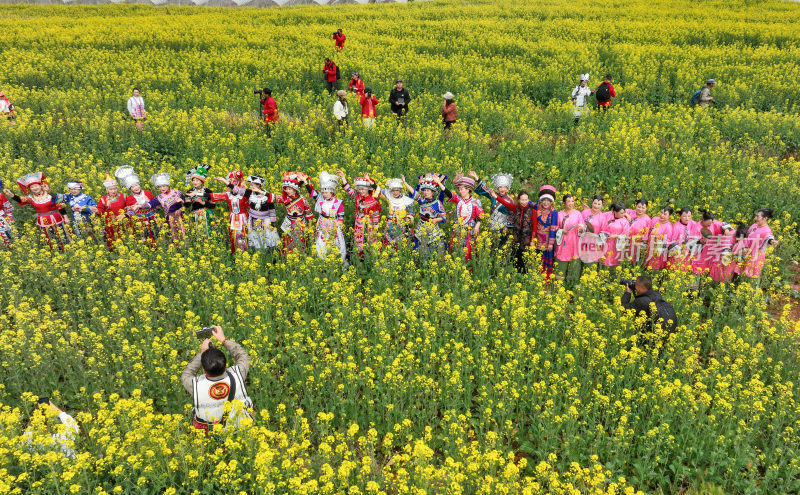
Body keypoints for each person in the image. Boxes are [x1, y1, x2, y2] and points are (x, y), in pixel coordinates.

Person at [180, 326, 253, 433]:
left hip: (212, 435)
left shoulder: (196, 385)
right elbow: (243, 357)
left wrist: (202, 353)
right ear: (226, 364)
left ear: (204, 371)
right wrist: (223, 340)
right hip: (242, 429)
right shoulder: (238, 374)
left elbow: (186, 374)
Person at [5, 172, 71, 251]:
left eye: (36, 185)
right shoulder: (31, 198)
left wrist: (65, 217)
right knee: (49, 236)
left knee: (61, 234)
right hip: (42, 220)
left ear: (40, 185)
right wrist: (11, 194)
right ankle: (54, 251)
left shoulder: (49, 194)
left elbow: (59, 205)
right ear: (30, 189)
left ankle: (67, 249)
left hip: (55, 217)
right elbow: (20, 199)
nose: (34, 188)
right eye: (32, 187)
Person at [262, 172, 316, 253]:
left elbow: (308, 212)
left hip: (300, 223)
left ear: (295, 190)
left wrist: (310, 226)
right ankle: (288, 258)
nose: (287, 191)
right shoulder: (285, 198)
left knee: (300, 241)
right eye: (286, 189)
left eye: (289, 189)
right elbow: (273, 197)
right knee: (288, 241)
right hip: (288, 223)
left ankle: (299, 258)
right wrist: (260, 191)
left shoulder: (302, 199)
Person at [440, 173, 483, 261]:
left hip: (470, 229)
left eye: (461, 189)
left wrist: (477, 226)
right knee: (456, 247)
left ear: (468, 190)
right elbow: (448, 192)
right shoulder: (458, 199)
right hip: (458, 227)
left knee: (468, 250)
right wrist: (439, 183)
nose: (460, 191)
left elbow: (481, 217)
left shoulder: (475, 202)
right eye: (459, 189)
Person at [338, 170, 382, 256]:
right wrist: (343, 177)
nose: (361, 191)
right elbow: (349, 190)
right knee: (359, 241)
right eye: (359, 189)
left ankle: (371, 257)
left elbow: (378, 190)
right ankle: (359, 256)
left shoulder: (374, 197)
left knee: (371, 241)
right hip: (359, 223)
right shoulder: (358, 196)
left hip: (371, 223)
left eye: (363, 189)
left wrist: (369, 180)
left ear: (368, 189)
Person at [491, 189, 536, 273]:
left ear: (528, 200)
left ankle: (524, 274)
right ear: (518, 200)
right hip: (516, 236)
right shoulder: (515, 208)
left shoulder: (532, 211)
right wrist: (495, 196)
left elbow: (535, 227)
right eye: (522, 199)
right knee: (515, 255)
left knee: (525, 257)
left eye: (526, 199)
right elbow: (505, 203)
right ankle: (515, 274)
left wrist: (533, 240)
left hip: (526, 238)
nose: (524, 201)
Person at [405, 174, 447, 257]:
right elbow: (413, 192)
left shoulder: (438, 203)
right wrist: (405, 182)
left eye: (428, 191)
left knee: (433, 246)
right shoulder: (422, 200)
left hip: (433, 227)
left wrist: (436, 220)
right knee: (419, 245)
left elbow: (443, 217)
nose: (425, 192)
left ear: (433, 192)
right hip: (421, 226)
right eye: (424, 190)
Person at [237, 175, 281, 253]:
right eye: (250, 184)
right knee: (257, 237)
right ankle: (259, 254)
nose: (250, 186)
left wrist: (273, 223)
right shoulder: (250, 193)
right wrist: (226, 182)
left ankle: (269, 255)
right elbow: (237, 190)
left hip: (264, 220)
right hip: (254, 219)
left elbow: (272, 210)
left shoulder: (267, 196)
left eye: (252, 185)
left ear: (258, 185)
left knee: (266, 238)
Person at [137, 173, 185, 243]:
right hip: (169, 219)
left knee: (184, 234)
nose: (162, 188)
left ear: (168, 185)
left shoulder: (177, 193)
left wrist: (182, 202)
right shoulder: (159, 197)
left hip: (181, 216)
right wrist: (140, 206)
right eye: (159, 187)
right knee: (174, 236)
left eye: (164, 186)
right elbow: (150, 204)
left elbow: (187, 204)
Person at [211, 171, 250, 254]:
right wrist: (197, 193)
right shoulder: (227, 195)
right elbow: (213, 195)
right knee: (233, 236)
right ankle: (235, 255)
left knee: (243, 235)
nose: (226, 187)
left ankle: (245, 255)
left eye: (228, 185)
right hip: (232, 219)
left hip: (243, 219)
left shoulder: (244, 195)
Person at [117, 166, 159, 244]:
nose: (135, 188)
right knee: (145, 235)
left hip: (152, 217)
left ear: (139, 184)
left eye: (136, 185)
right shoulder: (130, 198)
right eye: (132, 187)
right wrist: (125, 215)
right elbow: (131, 210)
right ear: (130, 189)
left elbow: (154, 203)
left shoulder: (147, 193)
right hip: (141, 220)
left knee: (156, 233)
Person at [314, 171, 347, 262]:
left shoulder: (338, 202)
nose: (325, 194)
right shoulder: (321, 199)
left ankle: (337, 260)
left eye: (327, 192)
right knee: (321, 242)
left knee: (335, 242)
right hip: (322, 223)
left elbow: (341, 216)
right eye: (323, 192)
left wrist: (337, 224)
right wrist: (306, 182)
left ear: (332, 192)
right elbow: (313, 193)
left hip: (333, 224)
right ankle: (322, 260)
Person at [737, 208, 778, 280]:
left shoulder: (766, 230)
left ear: (765, 218)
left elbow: (768, 237)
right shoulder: (754, 226)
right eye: (755, 216)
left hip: (755, 256)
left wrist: (772, 241)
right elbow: (747, 235)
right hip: (746, 252)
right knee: (742, 274)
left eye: (758, 216)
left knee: (751, 277)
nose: (755, 218)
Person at [474, 172, 514, 244]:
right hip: (491, 225)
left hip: (502, 227)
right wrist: (477, 178)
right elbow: (486, 189)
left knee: (501, 245)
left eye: (504, 187)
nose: (502, 189)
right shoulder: (493, 195)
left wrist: (507, 227)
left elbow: (511, 214)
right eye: (500, 187)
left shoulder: (510, 200)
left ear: (507, 188)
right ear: (498, 188)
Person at [555, 194, 583, 284]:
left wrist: (581, 227)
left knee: (574, 260)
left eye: (572, 201)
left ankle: (572, 282)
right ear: (564, 203)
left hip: (574, 241)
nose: (571, 203)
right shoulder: (559, 214)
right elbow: (555, 227)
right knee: (562, 260)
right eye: (568, 201)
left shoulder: (578, 213)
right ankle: (559, 282)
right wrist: (561, 230)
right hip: (563, 242)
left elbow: (582, 225)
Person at [379, 177, 415, 248]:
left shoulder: (406, 200)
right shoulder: (389, 198)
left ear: (400, 191)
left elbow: (411, 212)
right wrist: (369, 181)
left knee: (402, 243)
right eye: (393, 190)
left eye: (397, 190)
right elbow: (379, 190)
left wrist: (408, 218)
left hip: (401, 224)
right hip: (390, 224)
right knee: (387, 243)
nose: (395, 192)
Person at [97, 174, 129, 250]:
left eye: (115, 189)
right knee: (113, 240)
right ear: (107, 190)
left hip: (124, 221)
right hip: (111, 224)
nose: (113, 191)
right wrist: (97, 212)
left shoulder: (123, 196)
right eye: (111, 189)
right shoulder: (103, 199)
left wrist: (125, 215)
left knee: (127, 238)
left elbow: (128, 207)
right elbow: (100, 211)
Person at [578, 195, 610, 268]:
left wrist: (597, 236)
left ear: (602, 205)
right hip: (582, 241)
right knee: (579, 261)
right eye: (595, 203)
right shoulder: (585, 212)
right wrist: (581, 229)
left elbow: (605, 231)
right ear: (592, 203)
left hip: (594, 244)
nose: (596, 206)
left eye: (599, 204)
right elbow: (580, 223)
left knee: (591, 263)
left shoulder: (602, 217)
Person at [184, 164, 215, 238]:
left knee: (209, 233)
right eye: (193, 180)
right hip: (195, 215)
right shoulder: (190, 191)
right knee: (198, 235)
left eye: (197, 180)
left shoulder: (208, 191)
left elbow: (213, 205)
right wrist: (190, 201)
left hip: (207, 214)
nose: (194, 182)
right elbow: (187, 205)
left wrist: (202, 202)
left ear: (202, 181)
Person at [601, 203, 630, 270]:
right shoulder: (608, 215)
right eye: (621, 213)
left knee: (614, 261)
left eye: (624, 213)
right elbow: (600, 217)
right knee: (604, 260)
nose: (623, 215)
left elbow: (626, 235)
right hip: (605, 243)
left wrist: (616, 236)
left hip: (616, 245)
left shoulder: (624, 221)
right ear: (614, 212)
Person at [624, 199, 651, 263]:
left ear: (646, 208)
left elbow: (646, 235)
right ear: (635, 206)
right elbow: (619, 210)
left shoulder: (647, 220)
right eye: (639, 207)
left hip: (636, 243)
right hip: (625, 240)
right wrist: (626, 214)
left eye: (643, 208)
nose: (640, 209)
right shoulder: (630, 212)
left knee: (632, 259)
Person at [0, 180, 15, 248]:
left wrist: (9, 219)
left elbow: (7, 208)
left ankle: (10, 250)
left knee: (6, 235)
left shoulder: (1, 196)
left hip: (1, 219)